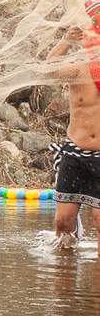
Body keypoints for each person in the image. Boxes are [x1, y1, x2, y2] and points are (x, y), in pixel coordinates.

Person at [45, 19, 100, 250]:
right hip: (75, 153)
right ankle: (65, 282)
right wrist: (66, 41)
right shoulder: (79, 67)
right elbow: (48, 70)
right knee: (63, 223)